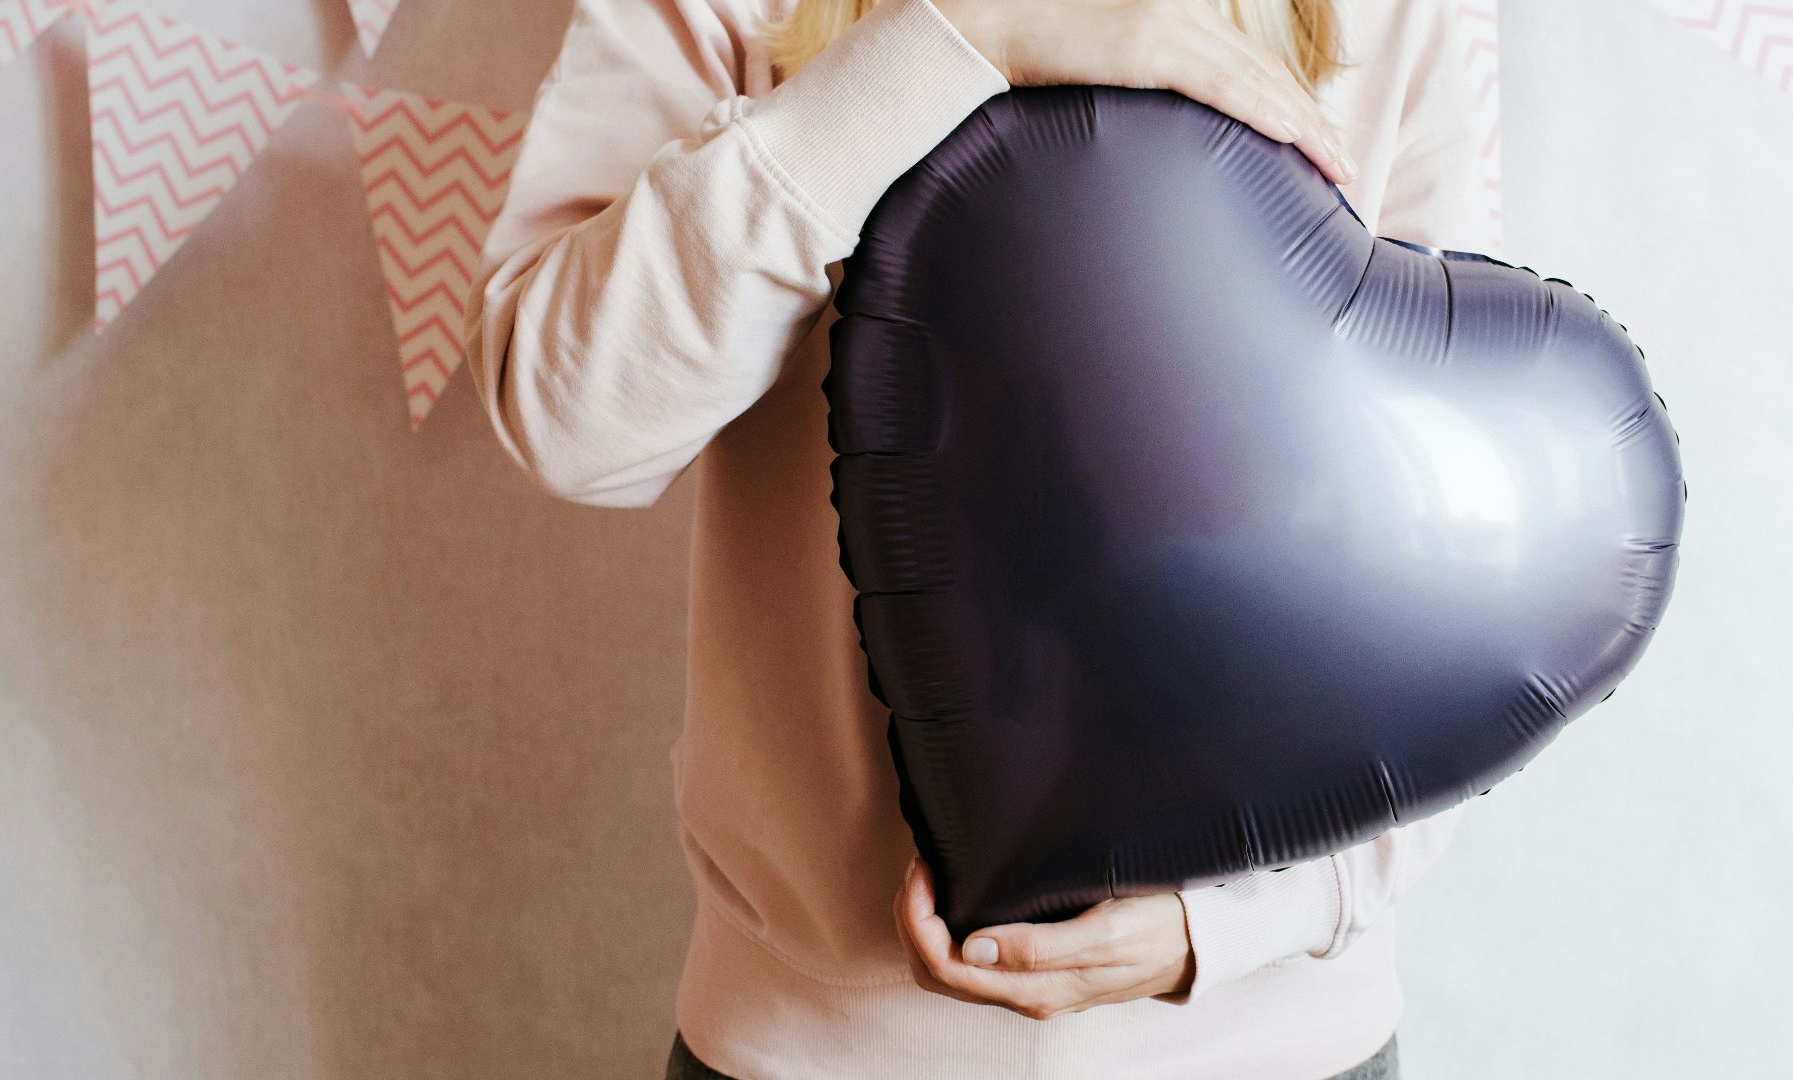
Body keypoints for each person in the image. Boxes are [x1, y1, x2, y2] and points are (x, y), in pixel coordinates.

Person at [462, 0, 1490, 1076]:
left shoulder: (1391, 16)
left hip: (1282, 1040)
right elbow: (567, 416)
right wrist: (959, 38)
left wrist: (1237, 921)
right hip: (815, 1048)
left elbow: (1467, 584)